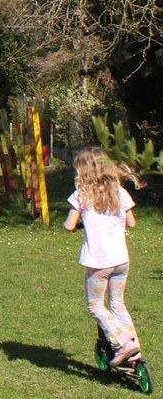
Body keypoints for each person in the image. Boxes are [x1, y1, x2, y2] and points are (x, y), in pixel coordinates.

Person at [63, 146, 141, 366]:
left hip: (99, 263)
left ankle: (122, 343)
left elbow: (69, 225)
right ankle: (134, 350)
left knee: (95, 306)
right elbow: (131, 223)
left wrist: (71, 225)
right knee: (118, 304)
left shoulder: (81, 196)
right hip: (121, 261)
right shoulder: (120, 193)